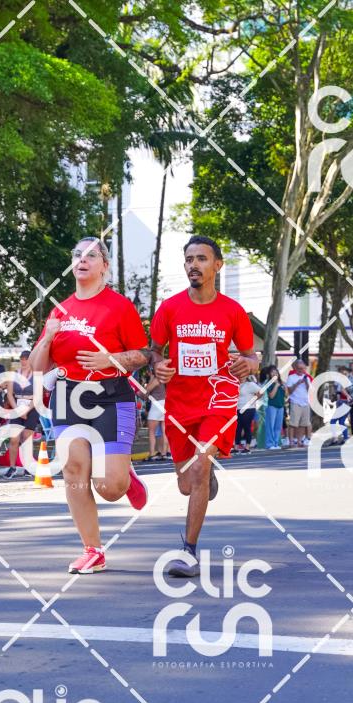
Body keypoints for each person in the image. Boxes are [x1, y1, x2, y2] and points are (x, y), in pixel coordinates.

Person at [29, 236, 150, 575]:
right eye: (77, 255)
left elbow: (143, 354)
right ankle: (93, 550)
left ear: (104, 266)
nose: (82, 260)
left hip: (111, 395)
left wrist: (110, 359)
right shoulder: (59, 311)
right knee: (73, 471)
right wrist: (49, 336)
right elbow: (37, 367)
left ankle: (123, 473)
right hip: (68, 396)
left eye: (91, 255)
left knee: (109, 488)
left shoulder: (119, 307)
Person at [150, 235, 257, 577]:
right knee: (187, 484)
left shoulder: (233, 311)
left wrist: (248, 364)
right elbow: (154, 350)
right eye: (189, 259)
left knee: (198, 467)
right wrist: (158, 365)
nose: (193, 265)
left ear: (217, 265)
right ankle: (205, 476)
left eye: (201, 258)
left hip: (217, 402)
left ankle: (189, 552)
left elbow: (252, 355)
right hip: (180, 404)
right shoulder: (170, 308)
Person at [4, 350, 42, 479]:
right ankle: (12, 467)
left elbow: (38, 396)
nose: (24, 361)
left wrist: (26, 411)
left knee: (27, 438)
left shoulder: (37, 376)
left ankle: (27, 467)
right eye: (22, 359)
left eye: (27, 359)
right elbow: (9, 394)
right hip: (17, 407)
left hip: (31, 408)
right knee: (14, 439)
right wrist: (17, 410)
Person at [143, 370, 168, 461]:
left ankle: (152, 453)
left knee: (152, 431)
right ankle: (164, 453)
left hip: (157, 403)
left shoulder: (156, 379)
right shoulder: (164, 378)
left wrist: (150, 379)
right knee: (164, 431)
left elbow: (145, 391)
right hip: (165, 403)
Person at [285, 360, 312, 447]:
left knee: (303, 424)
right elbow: (289, 391)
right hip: (295, 402)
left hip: (305, 403)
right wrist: (297, 383)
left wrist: (306, 383)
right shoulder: (291, 377)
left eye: (303, 368)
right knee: (293, 423)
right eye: (299, 368)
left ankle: (300, 441)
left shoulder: (307, 378)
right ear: (296, 368)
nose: (301, 370)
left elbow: (310, 391)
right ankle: (291, 441)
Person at [235, 375, 261, 453]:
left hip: (248, 408)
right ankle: (236, 447)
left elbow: (260, 392)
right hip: (238, 408)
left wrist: (254, 400)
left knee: (247, 427)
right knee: (238, 428)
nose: (241, 376)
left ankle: (247, 447)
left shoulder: (250, 384)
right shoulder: (236, 384)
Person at [263, 365, 286, 449]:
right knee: (270, 426)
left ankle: (276, 443)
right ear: (269, 374)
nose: (274, 373)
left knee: (278, 427)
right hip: (272, 406)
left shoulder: (281, 383)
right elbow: (271, 396)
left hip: (281, 406)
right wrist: (276, 385)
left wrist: (284, 387)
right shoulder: (269, 383)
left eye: (276, 372)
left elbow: (286, 395)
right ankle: (270, 444)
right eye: (272, 372)